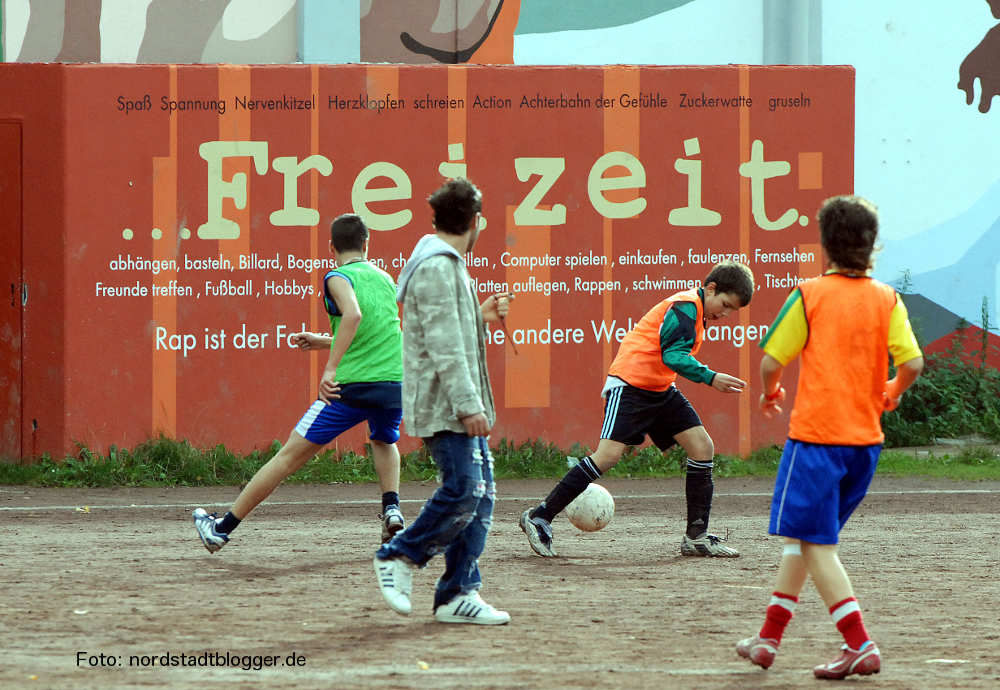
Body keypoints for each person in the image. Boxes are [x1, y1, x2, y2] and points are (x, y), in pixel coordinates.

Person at [736, 195, 924, 679]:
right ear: (872, 245)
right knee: (804, 539)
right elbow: (913, 363)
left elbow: (771, 361)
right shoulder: (888, 298)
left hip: (818, 441)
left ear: (826, 243)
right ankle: (768, 639)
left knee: (817, 544)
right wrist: (893, 390)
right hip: (865, 444)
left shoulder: (810, 294)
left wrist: (769, 393)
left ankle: (859, 643)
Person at [192, 213, 407, 551]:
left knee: (288, 456)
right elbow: (379, 332)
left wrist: (329, 369)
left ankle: (221, 527)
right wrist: (324, 341)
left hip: (349, 388)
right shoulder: (383, 277)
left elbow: (353, 315)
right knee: (384, 441)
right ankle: (392, 510)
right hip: (394, 382)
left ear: (331, 247)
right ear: (368, 244)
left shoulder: (338, 275)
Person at [519, 260, 755, 559]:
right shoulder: (684, 307)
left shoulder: (697, 312)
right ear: (711, 288)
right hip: (630, 385)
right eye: (725, 304)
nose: (725, 313)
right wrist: (710, 377)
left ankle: (696, 536)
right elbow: (673, 356)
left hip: (659, 388)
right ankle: (540, 516)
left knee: (701, 447)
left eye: (732, 310)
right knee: (607, 456)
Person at [372, 177, 513, 625]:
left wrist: (481, 314)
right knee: (464, 490)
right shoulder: (437, 267)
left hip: (456, 402)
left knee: (482, 495)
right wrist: (470, 404)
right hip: (447, 406)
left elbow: (455, 331)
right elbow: (444, 344)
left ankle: (457, 594)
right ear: (475, 222)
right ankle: (400, 554)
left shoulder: (446, 264)